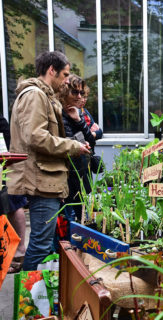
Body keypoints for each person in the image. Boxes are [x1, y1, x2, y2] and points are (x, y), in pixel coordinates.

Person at [7, 51, 91, 271]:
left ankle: (33, 300)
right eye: (64, 75)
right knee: (40, 245)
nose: (66, 81)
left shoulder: (42, 95)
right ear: (51, 70)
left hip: (46, 179)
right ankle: (28, 302)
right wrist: (73, 146)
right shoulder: (35, 95)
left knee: (42, 243)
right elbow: (35, 137)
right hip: (41, 180)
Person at [58, 75, 96, 222]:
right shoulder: (58, 113)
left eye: (81, 93)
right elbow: (63, 143)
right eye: (74, 92)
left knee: (83, 217)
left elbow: (91, 141)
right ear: (64, 91)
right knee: (68, 219)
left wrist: (79, 120)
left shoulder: (78, 113)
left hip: (81, 172)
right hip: (66, 176)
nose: (79, 96)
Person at [0, 116, 27, 273]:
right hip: (6, 161)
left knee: (13, 204)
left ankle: (16, 253)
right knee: (13, 204)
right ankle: (17, 253)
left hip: (5, 164)